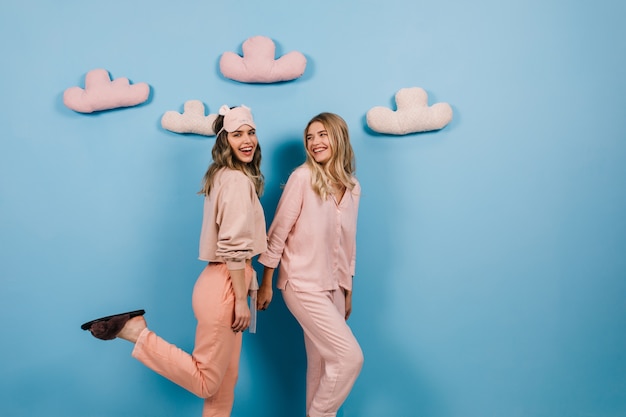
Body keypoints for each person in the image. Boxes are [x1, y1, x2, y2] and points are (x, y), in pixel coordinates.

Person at [81, 104, 267, 417]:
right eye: (237, 134)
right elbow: (233, 245)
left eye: (250, 132)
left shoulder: (222, 175)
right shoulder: (235, 181)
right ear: (225, 141)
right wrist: (239, 298)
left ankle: (138, 333)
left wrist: (252, 281)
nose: (247, 140)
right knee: (209, 383)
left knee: (223, 386)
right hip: (225, 287)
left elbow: (238, 244)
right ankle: (137, 332)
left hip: (224, 281)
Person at [257, 112, 364, 417]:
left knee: (322, 366)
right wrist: (267, 282)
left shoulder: (353, 187)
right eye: (310, 137)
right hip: (302, 284)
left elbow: (348, 244)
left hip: (336, 287)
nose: (315, 142)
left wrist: (348, 288)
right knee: (349, 358)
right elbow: (277, 232)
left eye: (322, 134)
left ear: (338, 137)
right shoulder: (302, 178)